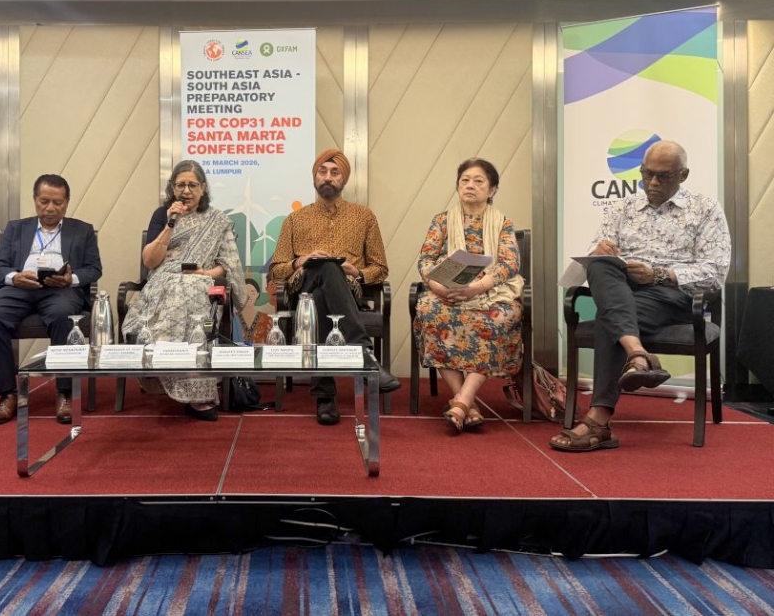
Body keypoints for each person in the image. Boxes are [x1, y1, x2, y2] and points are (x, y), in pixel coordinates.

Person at [550, 140, 731, 452]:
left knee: (611, 315)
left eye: (663, 176)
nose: (652, 183)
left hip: (671, 295)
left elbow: (715, 272)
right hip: (622, 290)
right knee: (601, 264)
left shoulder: (705, 209)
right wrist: (600, 250)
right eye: (646, 174)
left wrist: (659, 274)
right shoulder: (623, 208)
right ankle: (637, 353)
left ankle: (600, 418)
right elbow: (598, 249)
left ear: (683, 175)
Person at [268, 148, 401, 426]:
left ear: (344, 179)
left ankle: (325, 396)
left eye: (334, 172)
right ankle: (365, 356)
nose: (328, 177)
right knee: (323, 268)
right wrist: (300, 261)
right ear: (314, 177)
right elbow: (276, 270)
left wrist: (358, 272)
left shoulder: (364, 217)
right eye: (322, 172)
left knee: (326, 282)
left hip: (348, 291)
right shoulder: (295, 219)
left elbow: (381, 268)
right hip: (300, 290)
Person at [120, 159, 247, 421]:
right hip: (163, 281)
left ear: (203, 188)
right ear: (172, 188)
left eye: (192, 185)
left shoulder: (217, 220)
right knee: (176, 289)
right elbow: (150, 262)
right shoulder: (162, 215)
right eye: (180, 185)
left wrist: (206, 273)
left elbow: (228, 263)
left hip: (200, 281)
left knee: (189, 290)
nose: (186, 191)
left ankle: (194, 389)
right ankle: (187, 388)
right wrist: (169, 225)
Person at [0, 174, 102, 426]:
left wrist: (72, 279)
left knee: (64, 317)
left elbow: (94, 268)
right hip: (21, 288)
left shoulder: (82, 230)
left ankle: (65, 393)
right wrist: (15, 277)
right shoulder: (16, 228)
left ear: (67, 203)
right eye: (44, 201)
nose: (50, 208)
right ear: (35, 200)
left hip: (60, 290)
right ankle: (7, 395)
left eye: (57, 202)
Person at [412, 158, 524, 432]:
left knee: (499, 317)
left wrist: (477, 287)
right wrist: (437, 286)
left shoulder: (503, 223)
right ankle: (467, 403)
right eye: (465, 180)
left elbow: (510, 264)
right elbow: (425, 260)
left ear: (492, 189)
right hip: (446, 290)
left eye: (478, 181)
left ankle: (462, 400)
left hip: (489, 292)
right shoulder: (442, 221)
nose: (470, 186)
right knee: (429, 311)